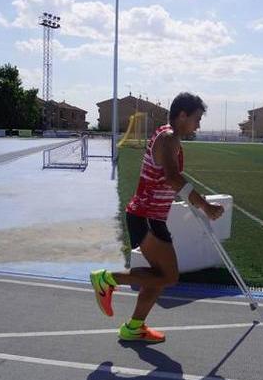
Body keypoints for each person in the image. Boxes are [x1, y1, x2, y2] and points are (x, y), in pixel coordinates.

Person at [90, 92, 224, 343]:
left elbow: (167, 180)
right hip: (146, 216)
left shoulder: (166, 134)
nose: (198, 125)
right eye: (196, 119)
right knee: (169, 276)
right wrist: (204, 205)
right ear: (182, 115)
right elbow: (173, 179)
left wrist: (194, 198)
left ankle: (133, 327)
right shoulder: (169, 139)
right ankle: (107, 279)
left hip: (150, 216)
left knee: (158, 277)